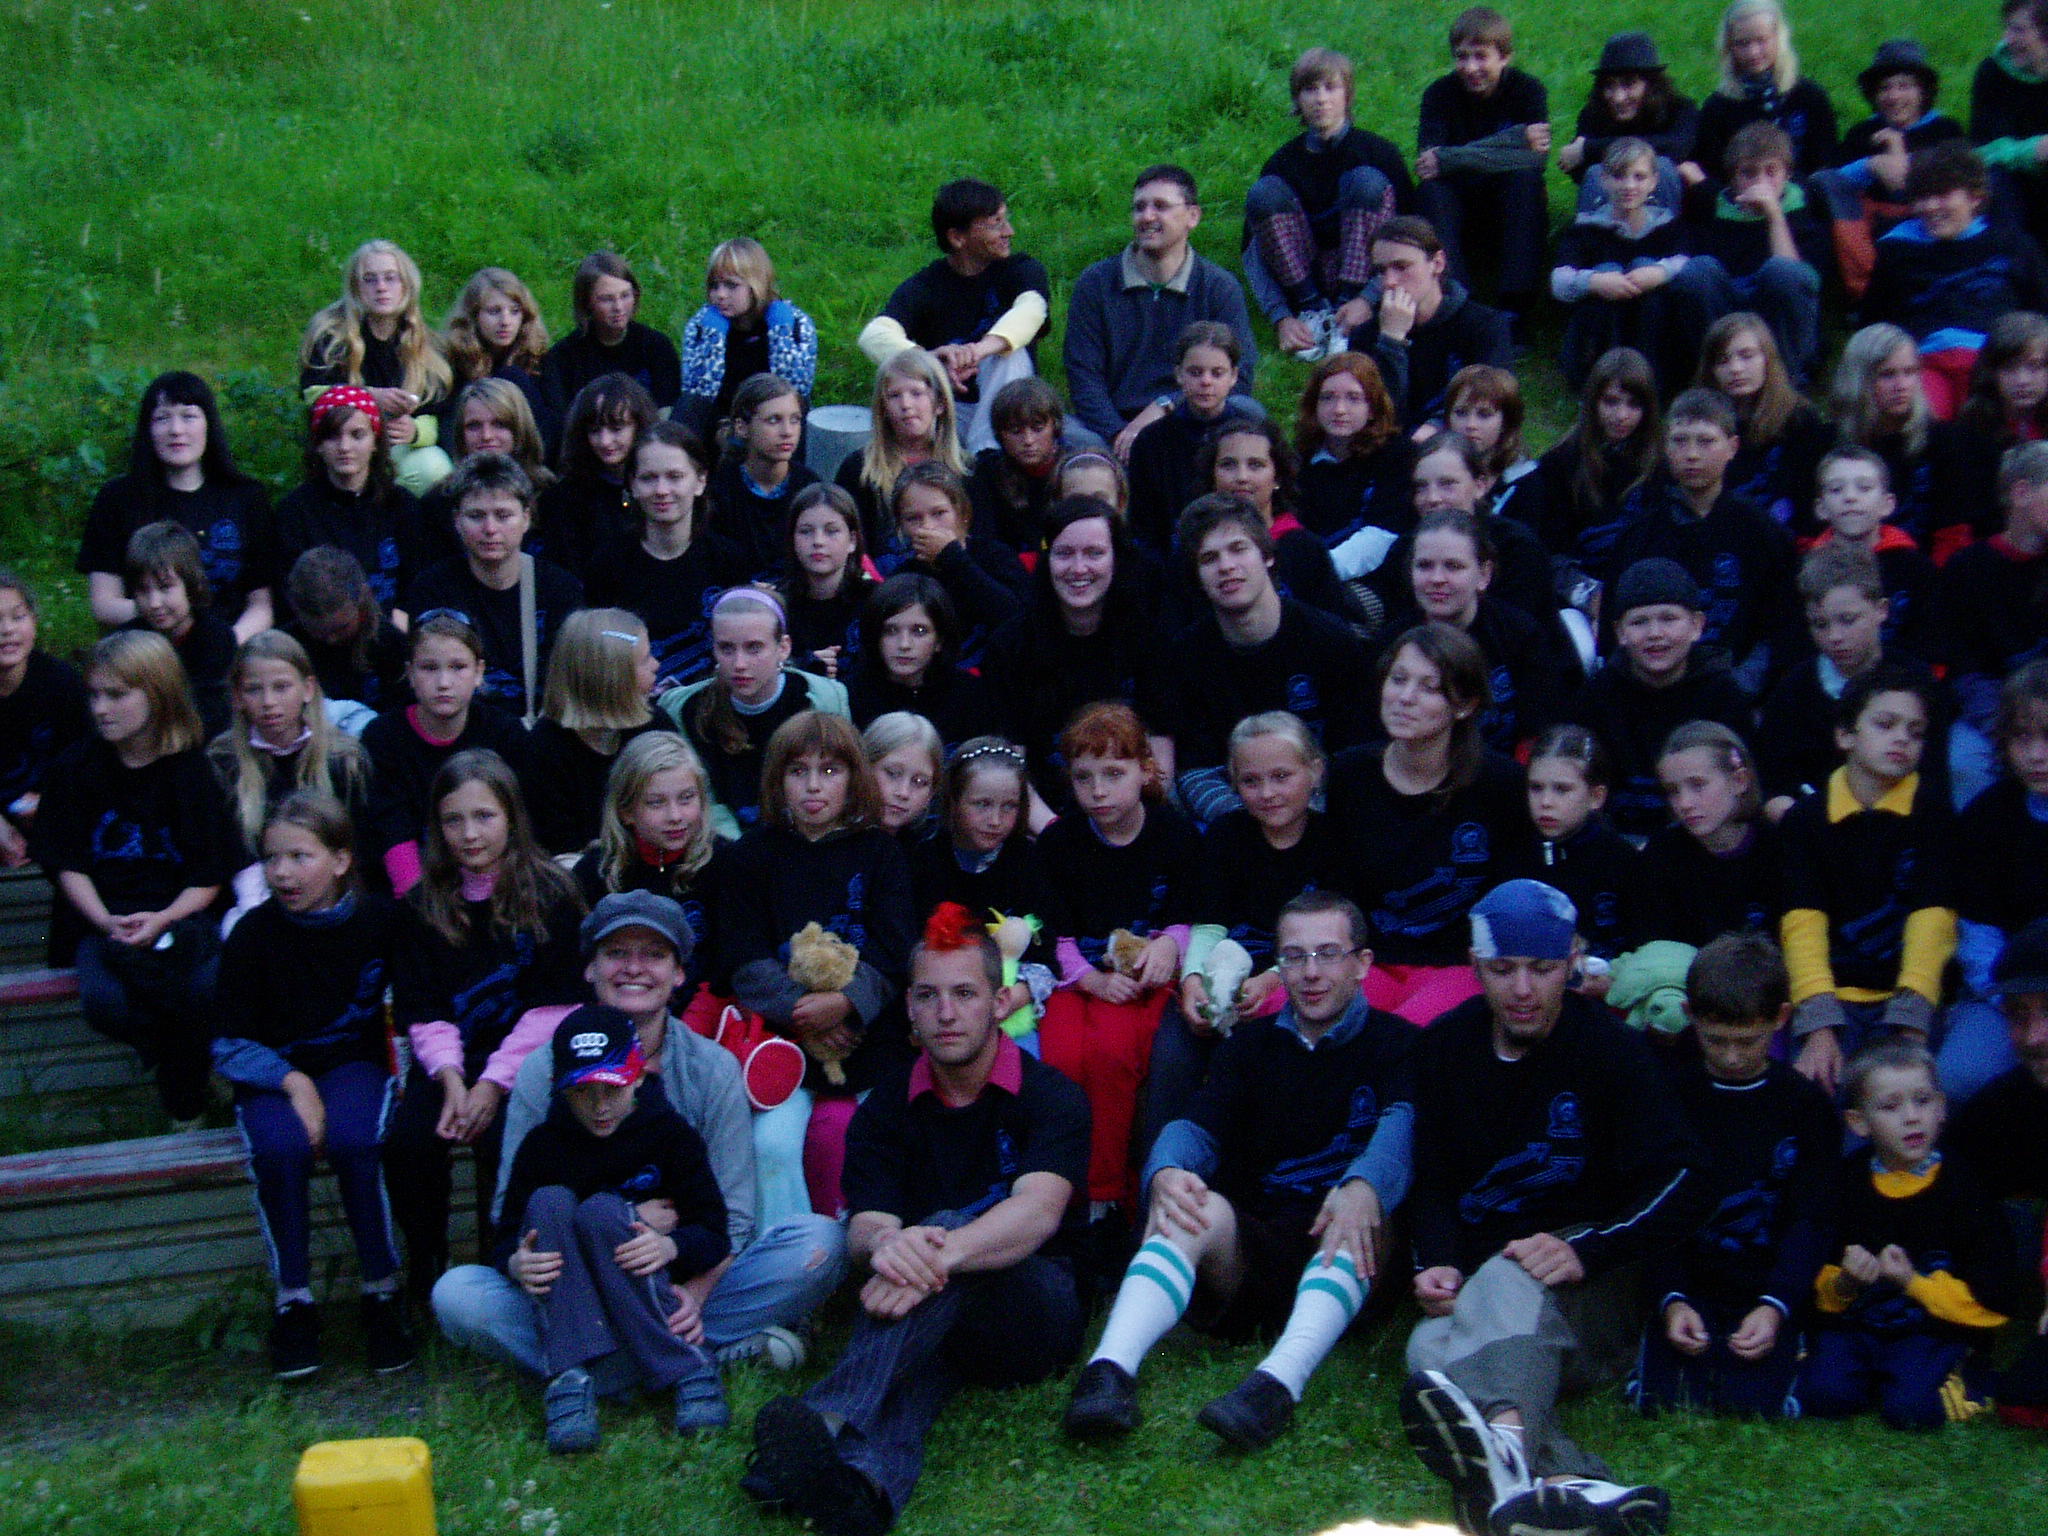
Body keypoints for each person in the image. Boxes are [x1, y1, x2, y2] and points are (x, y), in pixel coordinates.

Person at [741, 904, 1088, 1536]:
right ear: (909, 1007)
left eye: (964, 994)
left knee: (945, 1227)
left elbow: (1037, 1213)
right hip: (927, 1318)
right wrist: (888, 1245)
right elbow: (867, 1225)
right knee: (916, 1380)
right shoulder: (886, 1107)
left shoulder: (1051, 1096)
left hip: (1033, 1312)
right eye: (928, 995)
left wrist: (937, 1249)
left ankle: (826, 1415)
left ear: (999, 1002)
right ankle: (861, 1494)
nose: (946, 1013)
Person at [433, 891, 848, 1406]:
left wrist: (692, 1296)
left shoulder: (712, 1069)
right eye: (616, 953)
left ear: (679, 973)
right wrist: (525, 1260)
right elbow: (511, 1214)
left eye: (654, 954)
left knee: (819, 1243)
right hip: (574, 1288)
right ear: (590, 968)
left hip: (681, 1275)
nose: (634, 968)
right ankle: (685, 1359)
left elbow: (734, 1217)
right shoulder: (543, 1069)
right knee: (458, 1296)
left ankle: (598, 1370)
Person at [1401, 879, 1703, 1536]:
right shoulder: (1444, 1047)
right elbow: (1432, 1179)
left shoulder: (1612, 1051)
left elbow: (1684, 1182)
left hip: (1594, 1287)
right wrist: (1438, 1261)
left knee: (1506, 1280)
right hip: (1490, 1292)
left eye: (1541, 969)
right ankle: (1573, 1487)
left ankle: (1506, 1459)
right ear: (1475, 965)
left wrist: (1586, 1249)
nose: (1522, 989)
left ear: (1571, 961)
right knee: (1427, 1349)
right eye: (1503, 969)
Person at [1065, 891, 1416, 1451]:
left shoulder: (1400, 1045)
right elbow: (1198, 1125)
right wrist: (1166, 1170)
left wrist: (1365, 1185)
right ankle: (1108, 1371)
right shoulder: (1250, 1045)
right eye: (1294, 957)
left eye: (1328, 954)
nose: (1311, 973)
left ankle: (1276, 1386)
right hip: (1257, 1251)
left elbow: (1401, 1131)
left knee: (1359, 1213)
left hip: (1351, 1254)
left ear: (1362, 964)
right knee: (1186, 1201)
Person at [211, 791, 411, 1379]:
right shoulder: (252, 935)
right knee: (280, 1149)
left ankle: (381, 1289)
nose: (283, 873)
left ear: (342, 860)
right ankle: (293, 1300)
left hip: (354, 1064)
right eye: (272, 859)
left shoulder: (380, 922)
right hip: (274, 1071)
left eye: (300, 857)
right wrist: (292, 1081)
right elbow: (226, 1042)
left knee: (355, 1141)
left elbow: (409, 1006)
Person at [382, 749, 587, 1303]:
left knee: (506, 1139)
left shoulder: (553, 894)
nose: (470, 834)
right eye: (454, 820)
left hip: (528, 1063)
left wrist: (492, 1085)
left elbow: (554, 1005)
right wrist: (453, 1082)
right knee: (409, 1143)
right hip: (447, 1063)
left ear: (511, 817)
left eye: (484, 816)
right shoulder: (420, 906)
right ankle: (427, 1262)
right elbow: (423, 1009)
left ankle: (502, 1263)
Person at [493, 1002, 731, 1450]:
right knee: (545, 1205)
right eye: (583, 1091)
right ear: (558, 1087)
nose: (600, 1106)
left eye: (612, 1088)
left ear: (639, 1075)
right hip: (572, 1300)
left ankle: (684, 1364)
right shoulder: (541, 1147)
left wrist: (670, 1247)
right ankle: (570, 1376)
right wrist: (515, 1263)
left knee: (603, 1212)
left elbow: (715, 1231)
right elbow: (505, 1234)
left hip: (650, 1295)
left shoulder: (671, 1135)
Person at [720, 711, 917, 1217]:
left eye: (829, 771)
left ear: (854, 777)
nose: (813, 786)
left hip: (868, 1036)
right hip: (781, 1043)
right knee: (772, 1144)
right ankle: (784, 1250)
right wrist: (804, 1011)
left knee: (878, 1135)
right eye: (797, 771)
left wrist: (846, 1003)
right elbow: (743, 955)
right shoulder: (751, 855)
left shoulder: (881, 853)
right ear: (776, 779)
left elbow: (895, 948)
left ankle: (872, 1239)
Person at [37, 631, 237, 1126]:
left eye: (116, 695)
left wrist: (164, 917)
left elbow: (210, 871)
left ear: (157, 692)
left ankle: (184, 1105)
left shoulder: (192, 771)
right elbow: (67, 864)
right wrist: (106, 921)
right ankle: (190, 1076)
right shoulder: (74, 769)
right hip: (102, 921)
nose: (100, 708)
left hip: (182, 917)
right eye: (94, 695)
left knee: (204, 987)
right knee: (106, 1001)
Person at [1633, 932, 1837, 1418]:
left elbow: (1812, 1219)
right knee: (1665, 1403)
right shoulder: (1670, 1099)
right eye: (1715, 1039)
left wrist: (1776, 1304)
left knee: (1754, 1405)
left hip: (1768, 1282)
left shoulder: (1807, 1106)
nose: (1730, 1056)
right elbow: (1653, 1210)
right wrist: (1672, 1299)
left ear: (1781, 1019)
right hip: (1692, 1282)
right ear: (1690, 1015)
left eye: (1747, 1041)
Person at [1144, 713, 1345, 1168]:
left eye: (1281, 776)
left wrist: (1273, 980)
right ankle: (1161, 1176)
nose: (1267, 792)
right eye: (1251, 781)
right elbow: (1209, 922)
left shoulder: (1331, 840)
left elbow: (1335, 932)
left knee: (1264, 1051)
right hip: (1221, 974)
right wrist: (1193, 981)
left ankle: (1259, 1177)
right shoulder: (1226, 835)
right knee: (1174, 1053)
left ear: (1314, 772)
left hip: (1295, 978)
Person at [1798, 1043, 2015, 1428]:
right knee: (1825, 1396)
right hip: (1859, 1325)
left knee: (1911, 1410)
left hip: (1935, 1329)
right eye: (1890, 1107)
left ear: (1941, 1108)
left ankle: (1965, 1377)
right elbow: (1816, 1274)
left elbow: (1993, 1293)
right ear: (1859, 1122)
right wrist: (1846, 1282)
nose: (1912, 1117)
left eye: (1923, 1101)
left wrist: (1912, 1282)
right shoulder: (1846, 1181)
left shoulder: (1965, 1188)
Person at [1037, 703, 1197, 1213]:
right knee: (1061, 1057)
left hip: (1141, 982)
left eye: (1113, 774)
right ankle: (1057, 1188)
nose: (1098, 791)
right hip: (1077, 979)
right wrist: (1090, 981)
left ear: (1145, 771)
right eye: (1084, 778)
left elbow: (1189, 914)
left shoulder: (1174, 832)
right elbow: (1053, 933)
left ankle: (1107, 1195)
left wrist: (1168, 945)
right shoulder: (1060, 841)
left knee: (1113, 1055)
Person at [1325, 623, 1523, 1026]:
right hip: (1368, 960)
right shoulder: (1349, 773)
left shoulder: (1502, 783)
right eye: (1398, 680)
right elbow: (1337, 889)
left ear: (1464, 705)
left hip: (1461, 963)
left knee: (1407, 1033)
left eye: (1429, 688)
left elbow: (1510, 894)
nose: (1405, 698)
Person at [1779, 669, 1956, 1097]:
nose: (1902, 739)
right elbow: (1802, 925)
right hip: (1832, 996)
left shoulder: (1933, 813)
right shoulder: (1805, 821)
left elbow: (1933, 921)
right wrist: (1819, 1024)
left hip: (1907, 998)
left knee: (1907, 1091)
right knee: (1818, 1091)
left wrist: (1912, 1023)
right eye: (1885, 724)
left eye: (1915, 732)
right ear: (1845, 735)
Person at [1164, 495, 1372, 824]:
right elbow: (1194, 770)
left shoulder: (1331, 640)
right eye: (1209, 558)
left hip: (1325, 817)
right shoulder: (1185, 656)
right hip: (1233, 824)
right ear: (1197, 577)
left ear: (1268, 556)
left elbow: (1354, 754)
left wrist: (1299, 820)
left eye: (1238, 549)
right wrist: (1255, 825)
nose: (1226, 566)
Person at [981, 495, 1172, 819]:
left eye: (1094, 553)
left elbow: (1160, 764)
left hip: (1134, 815)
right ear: (1047, 559)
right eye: (1064, 553)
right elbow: (1013, 767)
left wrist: (1124, 827)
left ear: (1117, 558)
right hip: (1042, 819)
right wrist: (1056, 833)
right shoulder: (1010, 647)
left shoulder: (1150, 639)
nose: (1079, 568)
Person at [1607, 387, 1796, 693]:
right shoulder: (1639, 536)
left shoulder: (1762, 532)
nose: (1692, 454)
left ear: (1732, 447)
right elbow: (1615, 629)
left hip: (1742, 687)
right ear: (1665, 448)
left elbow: (1783, 626)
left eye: (1706, 441)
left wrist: (1740, 688)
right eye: (1680, 441)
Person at [1062, 164, 1258, 451]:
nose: (1147, 217)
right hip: (1114, 430)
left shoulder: (1218, 287)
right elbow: (1083, 376)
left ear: (1193, 216)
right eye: (1139, 207)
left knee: (1247, 410)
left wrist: (1166, 405)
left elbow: (1239, 375)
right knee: (1065, 433)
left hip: (1192, 418)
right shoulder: (1095, 283)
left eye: (1161, 206)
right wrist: (1119, 435)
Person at [1242, 47, 1413, 360]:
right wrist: (1280, 316)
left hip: (1366, 274)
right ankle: (1313, 313)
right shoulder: (1282, 162)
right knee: (1264, 194)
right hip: (1304, 276)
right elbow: (1252, 249)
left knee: (1367, 182)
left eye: (1330, 88)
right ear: (1297, 99)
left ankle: (1348, 316)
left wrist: (1370, 297)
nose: (1321, 99)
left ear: (1347, 95)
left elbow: (1411, 235)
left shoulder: (1379, 152)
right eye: (1310, 89)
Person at [859, 179, 1051, 456]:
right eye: (995, 224)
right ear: (958, 238)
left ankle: (987, 457)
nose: (1009, 231)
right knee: (909, 379)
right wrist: (931, 361)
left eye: (1005, 220)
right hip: (949, 413)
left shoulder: (1021, 270)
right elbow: (874, 335)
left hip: (1012, 416)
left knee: (1010, 355)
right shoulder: (927, 286)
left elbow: (1031, 310)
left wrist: (978, 351)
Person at [1565, 559, 1755, 839]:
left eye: (1668, 619)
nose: (1655, 634)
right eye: (1639, 622)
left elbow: (1744, 791)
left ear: (1697, 625)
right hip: (1619, 837)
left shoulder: (1724, 695)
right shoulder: (1596, 696)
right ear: (1620, 632)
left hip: (1702, 836)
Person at [78, 370, 276, 639]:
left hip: (233, 643)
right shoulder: (117, 499)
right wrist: (169, 617)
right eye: (162, 418)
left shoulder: (246, 497)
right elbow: (104, 604)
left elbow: (262, 605)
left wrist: (225, 645)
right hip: (147, 645)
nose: (176, 430)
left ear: (209, 424)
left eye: (189, 416)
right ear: (148, 429)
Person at [1866, 140, 2048, 420]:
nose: (1930, 207)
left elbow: (2040, 310)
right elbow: (1874, 321)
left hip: (1995, 360)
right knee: (1925, 419)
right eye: (1922, 197)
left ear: (1975, 198)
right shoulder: (1897, 250)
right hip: (1924, 362)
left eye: (1942, 196)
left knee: (1990, 417)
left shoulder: (2012, 245)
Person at [1758, 542, 1945, 813]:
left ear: (1881, 610)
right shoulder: (1793, 691)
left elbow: (1933, 781)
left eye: (1848, 620)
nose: (1834, 636)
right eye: (1820, 624)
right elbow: (1775, 788)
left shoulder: (1916, 681)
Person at [406, 452, 584, 724]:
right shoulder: (431, 589)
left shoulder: (560, 589)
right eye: (476, 516)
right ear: (457, 520)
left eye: (503, 516)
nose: (490, 529)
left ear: (526, 518)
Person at [207, 630, 372, 920]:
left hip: (334, 895)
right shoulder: (223, 761)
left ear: (307, 689)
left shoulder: (344, 758)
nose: (268, 701)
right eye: (254, 690)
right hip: (252, 899)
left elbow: (361, 845)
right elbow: (223, 849)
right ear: (237, 696)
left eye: (281, 687)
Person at [360, 613, 529, 896]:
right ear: (410, 673)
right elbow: (391, 826)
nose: (443, 682)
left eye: (458, 667)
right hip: (415, 886)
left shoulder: (506, 733)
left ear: (479, 672)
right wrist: (417, 901)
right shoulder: (383, 737)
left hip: (498, 879)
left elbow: (519, 821)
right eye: (429, 668)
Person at [660, 588, 849, 838]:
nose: (739, 664)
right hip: (722, 843)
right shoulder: (685, 708)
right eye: (727, 648)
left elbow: (837, 782)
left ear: (783, 648)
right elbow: (699, 796)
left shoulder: (823, 698)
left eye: (754, 648)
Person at [1945, 666, 2048, 1099]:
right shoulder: (1987, 818)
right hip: (2007, 993)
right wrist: (2012, 1003)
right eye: (2023, 738)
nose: (2037, 755)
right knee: (1958, 1076)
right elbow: (1977, 933)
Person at [1413, 7, 1551, 326]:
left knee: (1526, 181)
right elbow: (1427, 164)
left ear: (1504, 57)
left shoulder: (1528, 90)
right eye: (1462, 57)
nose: (1471, 68)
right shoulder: (1439, 94)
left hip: (1507, 203)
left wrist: (1450, 158)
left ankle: (1515, 308)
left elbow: (1535, 159)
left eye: (1481, 57)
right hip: (1458, 203)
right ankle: (1458, 303)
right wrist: (1514, 140)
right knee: (1431, 191)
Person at [584, 420, 743, 691]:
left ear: (700, 481)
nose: (661, 490)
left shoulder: (729, 561)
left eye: (675, 477)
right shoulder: (607, 565)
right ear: (632, 485)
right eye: (648, 478)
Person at [905, 738, 1059, 1016]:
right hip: (941, 1004)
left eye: (1009, 806)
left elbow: (1045, 958)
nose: (995, 820)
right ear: (954, 801)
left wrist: (1005, 1002)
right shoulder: (924, 859)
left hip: (1009, 1005)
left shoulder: (1028, 861)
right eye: (982, 804)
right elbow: (911, 951)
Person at [1673, 125, 1832, 386]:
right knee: (1697, 270)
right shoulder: (1713, 209)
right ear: (1733, 179)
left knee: (1783, 272)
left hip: (1779, 318)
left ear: (1787, 174)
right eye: (1748, 173)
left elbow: (1803, 283)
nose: (1760, 182)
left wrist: (1774, 215)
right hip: (1729, 312)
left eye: (1771, 172)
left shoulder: (1803, 212)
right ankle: (1715, 376)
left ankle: (1784, 384)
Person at [1936, 440, 2048, 807]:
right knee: (1964, 761)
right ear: (2021, 493)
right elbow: (1966, 671)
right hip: (1996, 716)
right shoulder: (1968, 570)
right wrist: (2010, 730)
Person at [1398, 509, 1565, 754]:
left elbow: (1539, 735)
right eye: (1424, 566)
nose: (1437, 578)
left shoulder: (1521, 636)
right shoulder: (1393, 642)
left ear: (1484, 574)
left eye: (1453, 566)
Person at [298, 239, 455, 496]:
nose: (381, 288)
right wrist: (367, 398)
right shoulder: (331, 337)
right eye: (369, 280)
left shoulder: (428, 347)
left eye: (391, 278)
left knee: (433, 466)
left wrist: (415, 432)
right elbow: (312, 394)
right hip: (344, 446)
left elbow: (443, 413)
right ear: (355, 287)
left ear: (406, 285)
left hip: (400, 450)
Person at [1824, 40, 1967, 300]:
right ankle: (1865, 293)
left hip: (1928, 221)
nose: (1894, 97)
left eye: (1905, 86)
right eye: (1885, 88)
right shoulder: (1862, 133)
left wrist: (1900, 156)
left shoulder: (1945, 130)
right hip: (1869, 226)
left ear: (1923, 92)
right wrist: (1871, 165)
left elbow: (1958, 177)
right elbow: (1830, 180)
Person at [1627, 721, 1784, 949]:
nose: (1684, 803)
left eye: (1698, 785)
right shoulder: (1662, 855)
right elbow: (1655, 947)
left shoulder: (1778, 846)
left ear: (1739, 780)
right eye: (1673, 791)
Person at [1344, 216, 1513, 428]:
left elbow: (1493, 402)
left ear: (1437, 263)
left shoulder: (1484, 326)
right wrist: (1391, 341)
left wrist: (1436, 427)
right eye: (1381, 271)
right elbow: (1372, 414)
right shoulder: (1366, 335)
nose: (1389, 281)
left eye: (1401, 267)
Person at [276, 385, 422, 624]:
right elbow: (289, 596)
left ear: (375, 441)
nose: (344, 447)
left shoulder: (402, 506)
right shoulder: (295, 512)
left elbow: (417, 585)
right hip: (322, 630)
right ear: (318, 445)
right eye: (333, 436)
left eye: (357, 435)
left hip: (393, 631)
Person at [1828, 322, 1973, 563]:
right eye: (1887, 374)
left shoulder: (1944, 441)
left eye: (1910, 372)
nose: (1901, 386)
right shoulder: (1830, 442)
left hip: (1923, 574)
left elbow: (1952, 536)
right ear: (1859, 379)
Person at [1514, 347, 1662, 583]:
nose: (1621, 415)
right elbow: (1549, 548)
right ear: (1593, 402)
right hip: (1576, 582)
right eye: (1611, 402)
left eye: (1634, 404)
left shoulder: (1659, 463)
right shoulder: (1561, 462)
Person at [1551, 138, 1688, 391]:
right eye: (1618, 176)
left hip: (1652, 327)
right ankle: (1602, 384)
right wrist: (1594, 282)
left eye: (1639, 177)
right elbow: (1559, 281)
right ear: (1603, 180)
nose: (1629, 185)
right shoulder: (1586, 229)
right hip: (1603, 325)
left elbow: (1686, 263)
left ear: (1654, 181)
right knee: (1608, 270)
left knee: (1646, 269)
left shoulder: (1668, 226)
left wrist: (1659, 272)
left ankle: (1651, 385)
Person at [524, 609, 662, 857]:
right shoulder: (544, 750)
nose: (656, 665)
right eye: (644, 660)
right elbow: (556, 846)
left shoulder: (654, 724)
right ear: (611, 679)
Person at [1698, 311, 1836, 538]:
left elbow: (1811, 502)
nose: (1736, 368)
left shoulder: (1801, 420)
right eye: (1723, 360)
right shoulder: (1701, 424)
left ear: (1767, 359)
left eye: (1746, 356)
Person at [880, 461, 1029, 665]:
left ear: (962, 513)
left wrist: (953, 557)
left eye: (939, 513)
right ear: (901, 526)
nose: (928, 526)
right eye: (913, 519)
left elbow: (1018, 619)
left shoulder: (996, 556)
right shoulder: (902, 577)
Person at [1509, 725, 1634, 964]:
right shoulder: (1513, 854)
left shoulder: (1622, 860)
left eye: (1562, 789)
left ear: (1596, 797)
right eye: (1536, 788)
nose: (1546, 802)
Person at [1685, 0, 1839, 186]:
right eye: (1742, 43)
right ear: (1729, 47)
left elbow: (1825, 164)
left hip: (1804, 195)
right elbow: (1712, 173)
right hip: (1739, 198)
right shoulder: (1718, 107)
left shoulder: (1810, 97)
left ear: (1778, 39)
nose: (1753, 52)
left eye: (1761, 41)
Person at [676, 238, 819, 436]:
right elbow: (697, 394)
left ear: (756, 285)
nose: (720, 295)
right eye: (714, 286)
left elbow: (796, 391)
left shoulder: (793, 322)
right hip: (719, 419)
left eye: (731, 285)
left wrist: (782, 334)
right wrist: (712, 339)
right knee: (688, 406)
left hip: (773, 420)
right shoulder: (702, 325)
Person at [1127, 322, 1248, 554]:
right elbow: (1143, 523)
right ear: (1179, 374)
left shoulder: (1251, 435)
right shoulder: (1151, 441)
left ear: (1233, 376)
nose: (1206, 382)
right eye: (1195, 372)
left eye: (1217, 373)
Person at [835, 349, 969, 556]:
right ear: (883, 408)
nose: (906, 404)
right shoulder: (858, 469)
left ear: (940, 403)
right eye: (894, 396)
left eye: (916, 393)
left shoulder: (967, 469)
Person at [0, 570, 89, 874]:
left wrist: (47, 803)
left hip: (51, 815)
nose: (7, 630)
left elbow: (85, 760)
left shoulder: (60, 682)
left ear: (34, 622)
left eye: (18, 617)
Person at [1292, 353, 1418, 567]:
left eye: (1353, 398)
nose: (1339, 410)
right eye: (1328, 398)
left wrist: (1321, 572)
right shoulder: (1301, 458)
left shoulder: (1398, 455)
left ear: (1372, 408)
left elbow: (1382, 533)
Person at [119, 521, 236, 738]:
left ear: (192, 585)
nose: (154, 603)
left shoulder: (216, 638)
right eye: (143, 590)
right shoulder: (125, 641)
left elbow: (213, 713)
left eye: (165, 587)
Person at [538, 372, 659, 579]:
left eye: (616, 429)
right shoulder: (564, 499)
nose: (604, 441)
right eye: (595, 430)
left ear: (639, 426)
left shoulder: (660, 489)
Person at [706, 374, 820, 582]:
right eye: (773, 420)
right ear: (742, 427)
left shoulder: (810, 487)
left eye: (795, 420)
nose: (787, 432)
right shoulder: (720, 489)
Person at [542, 251, 680, 416]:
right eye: (606, 299)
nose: (618, 307)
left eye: (625, 296)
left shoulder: (657, 347)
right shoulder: (563, 357)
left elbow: (669, 411)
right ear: (587, 302)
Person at [283, 546, 408, 723]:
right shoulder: (287, 649)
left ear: (362, 600)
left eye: (341, 628)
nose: (331, 639)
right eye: (318, 631)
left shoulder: (390, 644)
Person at [1558, 33, 1699, 186]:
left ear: (1651, 85)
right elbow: (1577, 167)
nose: (1618, 97)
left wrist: (1588, 149)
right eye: (1609, 86)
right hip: (1610, 198)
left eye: (1629, 84)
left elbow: (1676, 148)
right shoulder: (1594, 113)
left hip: (1667, 197)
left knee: (1663, 167)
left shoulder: (1681, 109)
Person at [442, 266, 556, 450]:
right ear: (474, 316)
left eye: (514, 311)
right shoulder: (454, 361)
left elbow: (550, 427)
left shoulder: (539, 361)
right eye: (494, 311)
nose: (505, 321)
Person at [1971, 0, 2048, 251]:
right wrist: (2033, 151)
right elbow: (1981, 151)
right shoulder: (1992, 73)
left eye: (2019, 30)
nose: (2007, 38)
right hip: (2010, 184)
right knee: (1997, 180)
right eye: (2007, 28)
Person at [779, 482, 875, 680]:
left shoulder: (876, 601)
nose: (818, 541)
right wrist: (801, 667)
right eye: (806, 531)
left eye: (831, 531)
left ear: (852, 541)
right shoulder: (777, 606)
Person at [964, 377, 1070, 551]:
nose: (1028, 440)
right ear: (1000, 434)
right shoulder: (985, 473)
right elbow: (983, 541)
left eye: (1037, 429)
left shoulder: (1074, 470)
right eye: (1015, 431)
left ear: (1055, 428)